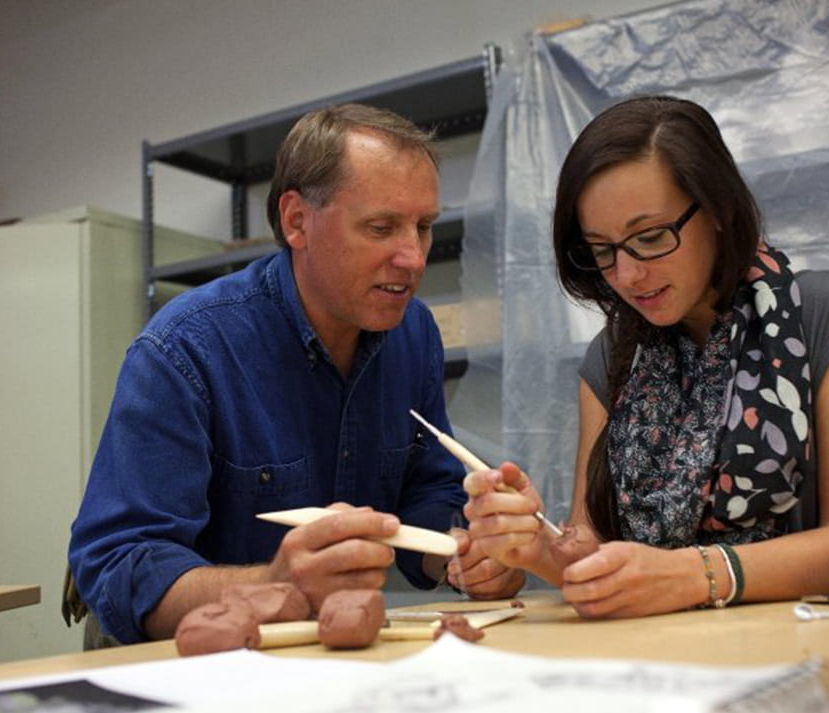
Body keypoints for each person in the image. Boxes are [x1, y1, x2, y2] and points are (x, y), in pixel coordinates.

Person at [69, 104, 523, 645]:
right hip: (185, 665)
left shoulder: (413, 332)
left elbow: (424, 493)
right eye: (381, 227)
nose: (413, 258)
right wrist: (274, 584)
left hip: (317, 658)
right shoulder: (186, 347)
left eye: (423, 227)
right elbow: (119, 566)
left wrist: (469, 549)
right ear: (296, 221)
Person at [459, 95, 829, 618]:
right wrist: (533, 545)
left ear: (716, 208)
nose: (627, 275)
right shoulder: (611, 360)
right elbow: (591, 556)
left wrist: (692, 574)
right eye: (602, 250)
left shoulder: (827, 317)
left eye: (649, 237)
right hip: (657, 663)